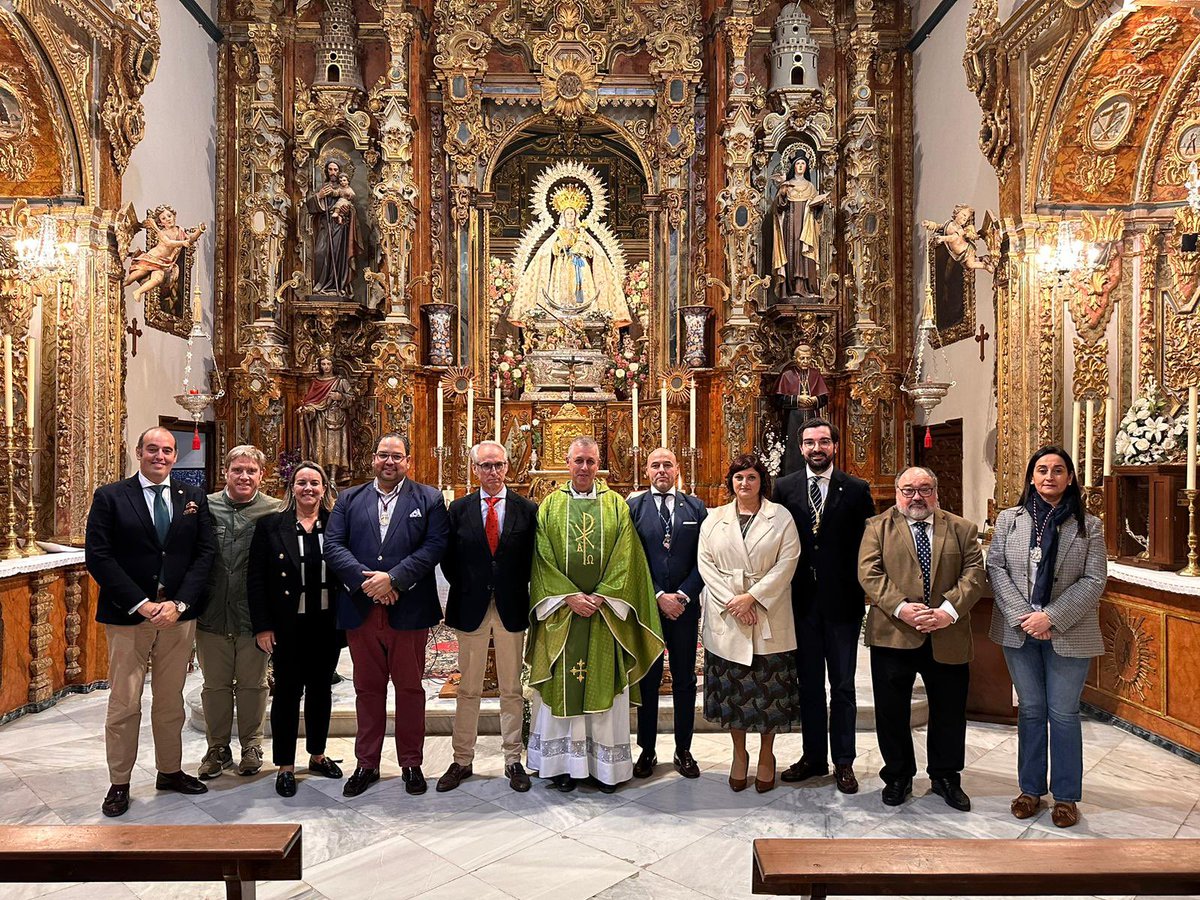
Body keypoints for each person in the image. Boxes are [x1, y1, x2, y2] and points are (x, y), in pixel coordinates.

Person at [84, 426, 216, 817]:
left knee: (170, 699)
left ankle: (170, 771)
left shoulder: (192, 497)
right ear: (138, 452)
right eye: (153, 449)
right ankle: (119, 782)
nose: (161, 456)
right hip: (129, 616)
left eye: (168, 450)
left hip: (177, 616)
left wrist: (179, 602)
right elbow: (100, 557)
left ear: (175, 456)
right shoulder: (111, 497)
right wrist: (141, 604)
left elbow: (204, 554)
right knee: (125, 701)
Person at [525, 436, 663, 793]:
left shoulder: (615, 504)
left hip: (604, 618)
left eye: (590, 461)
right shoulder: (550, 506)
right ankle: (563, 767)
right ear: (567, 463)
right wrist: (568, 596)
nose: (584, 468)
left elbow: (626, 556)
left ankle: (605, 770)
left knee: (603, 688)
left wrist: (602, 597)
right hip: (563, 616)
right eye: (578, 461)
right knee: (564, 686)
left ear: (598, 464)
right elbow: (541, 560)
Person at [986, 446, 1107, 828]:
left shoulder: (1091, 524)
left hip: (1069, 632)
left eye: (1058, 470)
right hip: (1019, 629)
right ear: (1031, 477)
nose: (1049, 477)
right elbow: (997, 567)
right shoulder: (1010, 519)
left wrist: (1050, 617)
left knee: (1064, 713)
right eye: (1042, 470)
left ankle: (1067, 797)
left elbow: (1094, 580)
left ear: (1070, 478)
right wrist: (1025, 616)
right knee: (1032, 711)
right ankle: (1030, 790)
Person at [324, 432, 449, 798]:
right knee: (367, 689)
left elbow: (435, 545)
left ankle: (411, 762)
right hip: (362, 610)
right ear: (373, 460)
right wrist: (369, 584)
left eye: (397, 456)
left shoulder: (428, 498)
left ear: (408, 461)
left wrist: (394, 579)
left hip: (407, 608)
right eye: (383, 456)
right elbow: (333, 545)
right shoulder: (349, 499)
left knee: (410, 690)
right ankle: (367, 763)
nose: (389, 462)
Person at [859, 466, 987, 810]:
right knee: (891, 712)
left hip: (947, 634)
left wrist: (948, 611)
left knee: (948, 711)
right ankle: (898, 775)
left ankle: (945, 776)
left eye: (925, 489)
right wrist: (902, 608)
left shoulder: (961, 528)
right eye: (909, 490)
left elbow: (975, 574)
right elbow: (869, 573)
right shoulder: (877, 527)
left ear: (936, 492)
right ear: (898, 493)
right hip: (894, 634)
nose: (917, 496)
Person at [775, 419, 875, 794]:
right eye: (809, 442)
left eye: (823, 441)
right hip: (800, 604)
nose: (816, 448)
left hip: (843, 604)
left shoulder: (856, 489)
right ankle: (814, 757)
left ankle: (844, 762)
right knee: (810, 687)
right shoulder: (784, 488)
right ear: (801, 448)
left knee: (844, 687)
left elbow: (869, 546)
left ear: (835, 445)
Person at [437, 441, 538, 794]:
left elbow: (532, 560)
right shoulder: (459, 509)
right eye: (485, 466)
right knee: (469, 687)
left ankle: (513, 759)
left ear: (508, 466)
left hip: (511, 606)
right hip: (471, 607)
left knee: (511, 688)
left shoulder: (527, 509)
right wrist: (473, 586)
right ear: (474, 469)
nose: (492, 472)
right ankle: (462, 759)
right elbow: (448, 559)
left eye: (497, 465)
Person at [699, 454, 801, 793]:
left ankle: (767, 755)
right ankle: (739, 753)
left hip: (767, 613)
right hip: (729, 616)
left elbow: (788, 562)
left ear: (762, 482)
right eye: (739, 477)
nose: (745, 484)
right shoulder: (714, 519)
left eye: (751, 478)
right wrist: (735, 601)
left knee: (769, 694)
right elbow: (706, 565)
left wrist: (752, 598)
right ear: (731, 482)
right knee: (733, 695)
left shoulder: (780, 517)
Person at [248, 461, 346, 797]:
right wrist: (262, 626)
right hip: (287, 625)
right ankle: (286, 765)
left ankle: (317, 754)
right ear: (292, 488)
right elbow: (256, 580)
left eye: (314, 483)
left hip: (326, 623)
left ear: (324, 488)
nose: (308, 489)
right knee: (288, 692)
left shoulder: (335, 524)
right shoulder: (271, 526)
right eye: (302, 482)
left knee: (321, 690)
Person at [196, 446, 282, 780]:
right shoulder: (206, 506)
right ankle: (217, 747)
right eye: (237, 470)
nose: (244, 476)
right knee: (215, 685)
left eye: (251, 471)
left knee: (253, 684)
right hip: (212, 614)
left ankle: (251, 745)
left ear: (262, 475)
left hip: (254, 617)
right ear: (226, 473)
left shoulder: (274, 511)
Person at [627, 447, 707, 779]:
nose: (661, 470)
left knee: (685, 680)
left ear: (677, 469)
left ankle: (683, 748)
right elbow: (630, 558)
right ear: (646, 471)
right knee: (648, 679)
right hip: (649, 608)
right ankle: (647, 750)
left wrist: (684, 595)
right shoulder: (633, 507)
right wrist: (659, 595)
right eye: (655, 465)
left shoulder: (696, 507)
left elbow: (706, 558)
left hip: (685, 610)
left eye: (667, 464)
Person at [508, 185, 631, 327]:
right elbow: (550, 250)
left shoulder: (582, 233)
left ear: (577, 215)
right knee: (561, 289)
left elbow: (593, 251)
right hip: (562, 265)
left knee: (581, 290)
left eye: (572, 213)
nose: (570, 216)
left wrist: (581, 248)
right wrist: (561, 247)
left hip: (580, 265)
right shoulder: (558, 233)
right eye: (567, 214)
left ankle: (585, 316)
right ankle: (560, 314)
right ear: (563, 215)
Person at [123, 205, 206, 305]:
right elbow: (168, 243)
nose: (167, 219)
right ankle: (124, 283)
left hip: (163, 264)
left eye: (169, 216)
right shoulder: (162, 232)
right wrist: (182, 243)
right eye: (163, 218)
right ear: (160, 222)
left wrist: (199, 231)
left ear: (174, 216)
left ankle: (138, 292)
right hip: (152, 259)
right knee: (138, 274)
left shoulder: (180, 231)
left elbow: (190, 239)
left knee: (158, 279)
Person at [771, 156, 827, 298]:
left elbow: (817, 214)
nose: (801, 166)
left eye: (803, 163)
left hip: (807, 227)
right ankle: (792, 288)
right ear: (793, 166)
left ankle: (807, 288)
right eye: (798, 163)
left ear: (807, 167)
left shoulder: (810, 187)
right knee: (793, 252)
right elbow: (778, 207)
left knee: (805, 255)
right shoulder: (787, 185)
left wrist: (819, 205)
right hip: (790, 227)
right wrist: (782, 195)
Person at [306, 159, 363, 296]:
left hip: (340, 227)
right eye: (330, 169)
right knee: (320, 253)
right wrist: (319, 196)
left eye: (336, 170)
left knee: (337, 255)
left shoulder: (343, 188)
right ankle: (321, 284)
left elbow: (351, 207)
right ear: (326, 171)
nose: (333, 173)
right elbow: (310, 206)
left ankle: (338, 285)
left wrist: (346, 210)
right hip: (325, 226)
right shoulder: (323, 187)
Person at [775, 344, 830, 475]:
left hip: (812, 416)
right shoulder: (787, 375)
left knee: (814, 444)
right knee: (794, 449)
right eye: (802, 358)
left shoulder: (815, 374)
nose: (805, 361)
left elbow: (824, 398)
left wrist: (815, 400)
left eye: (808, 358)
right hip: (793, 419)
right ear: (795, 359)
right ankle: (792, 475)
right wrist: (798, 400)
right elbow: (779, 399)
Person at [298, 356, 353, 485]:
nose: (326, 367)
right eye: (323, 364)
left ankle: (334, 477)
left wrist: (340, 397)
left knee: (334, 448)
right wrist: (307, 409)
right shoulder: (315, 382)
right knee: (320, 448)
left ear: (333, 365)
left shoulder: (341, 381)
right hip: (320, 419)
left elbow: (352, 399)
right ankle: (321, 475)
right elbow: (311, 401)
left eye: (328, 364)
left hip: (337, 417)